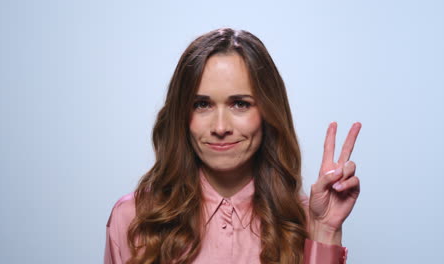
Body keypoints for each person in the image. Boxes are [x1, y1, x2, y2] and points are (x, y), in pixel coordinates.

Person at [104, 28, 362, 264]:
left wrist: (325, 233)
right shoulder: (133, 218)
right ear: (182, 114)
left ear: (267, 113)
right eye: (202, 104)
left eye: (240, 104)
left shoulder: (308, 221)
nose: (220, 127)